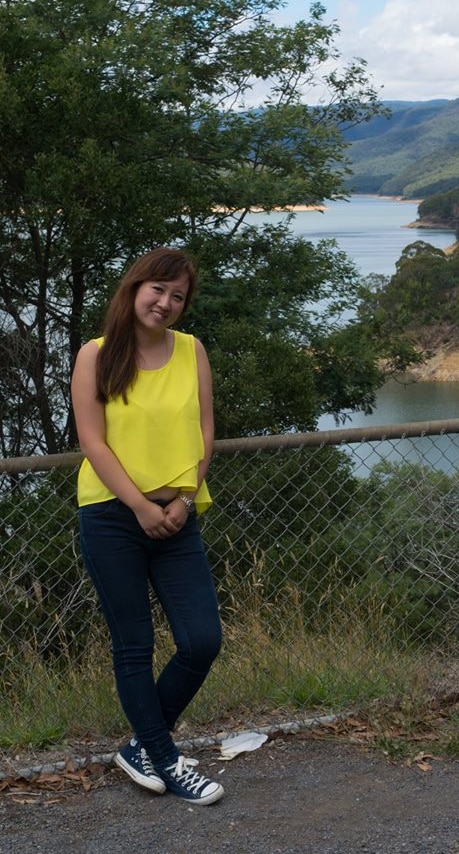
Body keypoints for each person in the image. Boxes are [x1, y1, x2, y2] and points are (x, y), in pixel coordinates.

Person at [71, 247, 224, 806]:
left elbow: (205, 432)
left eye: (178, 296)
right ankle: (164, 757)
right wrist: (139, 505)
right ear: (135, 288)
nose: (165, 302)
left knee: (202, 639)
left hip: (179, 515)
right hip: (112, 516)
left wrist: (184, 498)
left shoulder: (191, 351)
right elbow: (92, 441)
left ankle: (141, 746)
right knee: (133, 645)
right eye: (158, 289)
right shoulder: (97, 355)